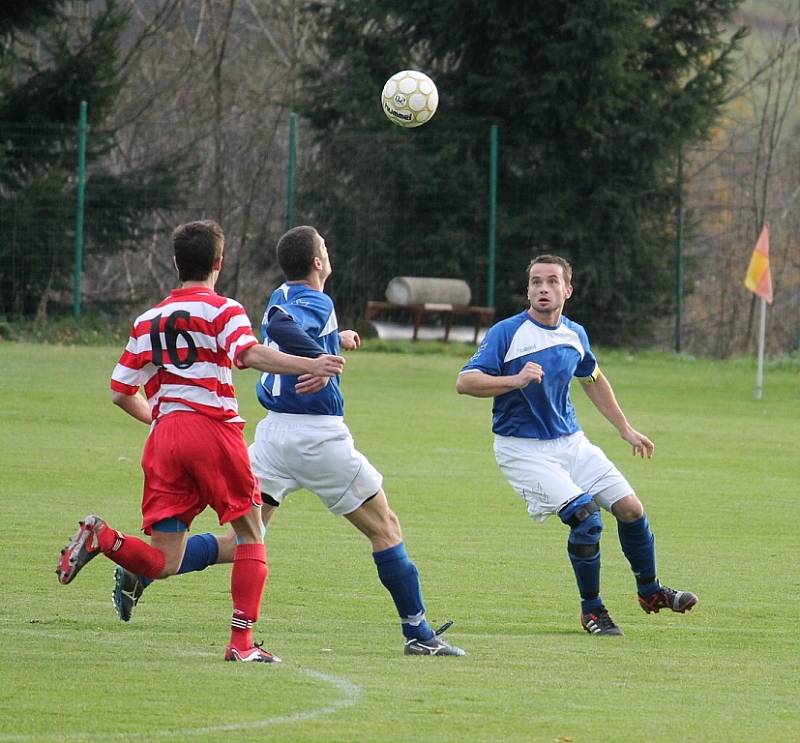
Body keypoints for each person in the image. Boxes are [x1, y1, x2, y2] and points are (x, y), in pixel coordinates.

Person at [111, 224, 465, 657]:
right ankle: (419, 633)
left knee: (245, 539)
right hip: (317, 438)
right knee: (385, 529)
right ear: (318, 261)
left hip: (273, 436)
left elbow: (283, 322)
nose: (328, 253)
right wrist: (317, 358)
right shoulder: (313, 300)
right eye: (326, 247)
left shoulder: (282, 292)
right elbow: (285, 326)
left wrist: (338, 339)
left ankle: (147, 570)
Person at [56, 219, 345, 663]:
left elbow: (120, 391)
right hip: (213, 429)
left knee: (164, 561)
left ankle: (104, 538)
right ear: (219, 263)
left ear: (175, 263)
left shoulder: (147, 319)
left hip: (166, 437)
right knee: (251, 534)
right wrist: (308, 364)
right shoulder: (224, 309)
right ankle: (242, 644)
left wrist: (163, 420)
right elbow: (248, 354)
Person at [455, 254, 698, 636]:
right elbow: (465, 382)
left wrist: (625, 429)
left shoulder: (575, 335)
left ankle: (650, 592)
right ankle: (592, 611)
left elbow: (593, 378)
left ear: (567, 290)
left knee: (631, 509)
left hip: (572, 443)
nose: (542, 288)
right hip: (522, 450)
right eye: (536, 282)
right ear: (529, 290)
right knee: (586, 519)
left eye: (552, 281)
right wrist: (514, 380)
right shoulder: (508, 332)